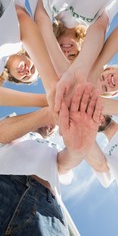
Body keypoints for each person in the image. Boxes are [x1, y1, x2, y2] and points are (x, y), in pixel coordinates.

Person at [0, 83, 108, 236]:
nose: (52, 126)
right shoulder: (18, 125)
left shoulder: (55, 149)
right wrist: (48, 114)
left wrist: (78, 148)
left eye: (55, 126)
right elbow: (2, 132)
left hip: (46, 208)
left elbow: (64, 165)